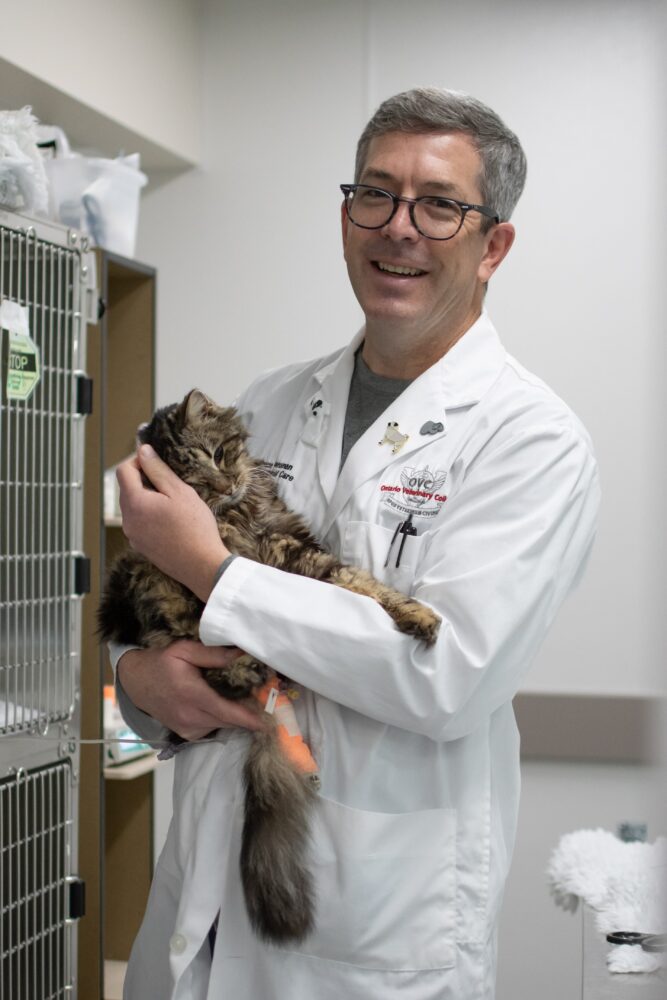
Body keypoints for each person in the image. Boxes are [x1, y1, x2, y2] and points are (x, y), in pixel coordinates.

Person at [111, 88, 600, 1000]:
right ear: (345, 219)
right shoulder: (267, 403)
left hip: (372, 923)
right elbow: (153, 611)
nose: (398, 228)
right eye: (374, 196)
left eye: (438, 205)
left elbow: (446, 675)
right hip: (203, 894)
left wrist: (213, 573)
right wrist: (138, 684)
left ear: (491, 245)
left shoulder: (529, 439)